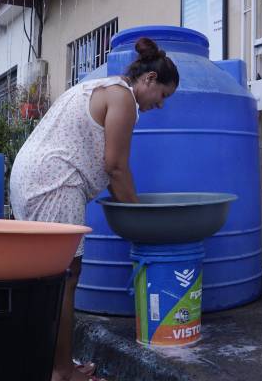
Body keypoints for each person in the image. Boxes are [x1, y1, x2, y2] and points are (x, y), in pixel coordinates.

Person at [10, 37, 179, 381]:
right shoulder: (123, 98)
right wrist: (142, 224)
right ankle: (61, 372)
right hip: (54, 182)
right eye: (162, 96)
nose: (160, 105)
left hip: (32, 176)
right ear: (148, 80)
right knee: (65, 279)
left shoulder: (103, 87)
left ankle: (49, 363)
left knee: (49, 278)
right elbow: (116, 166)